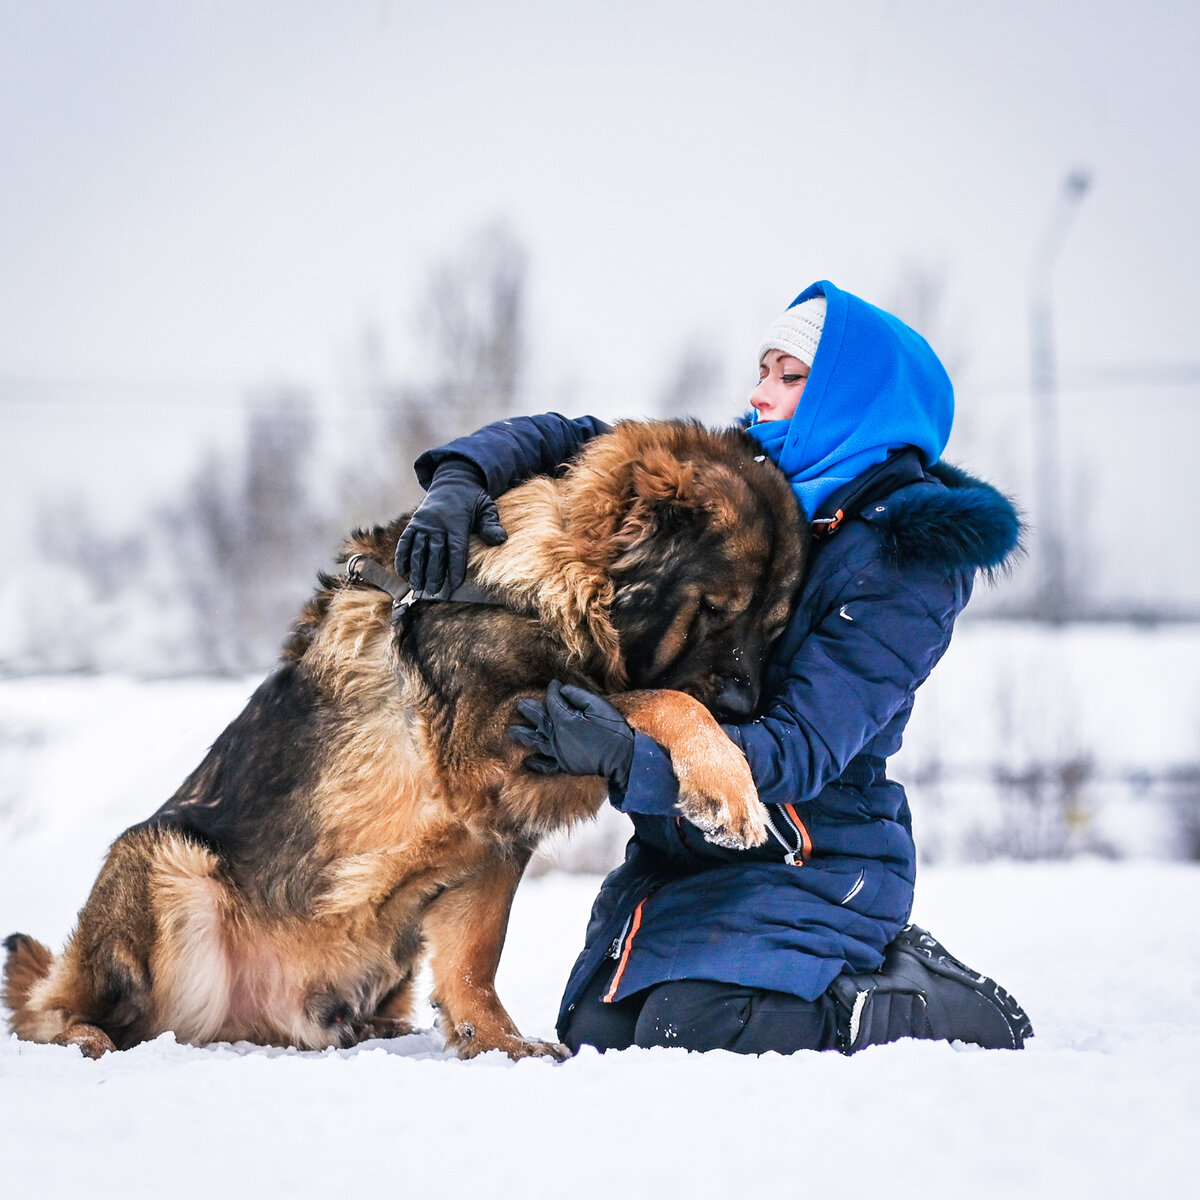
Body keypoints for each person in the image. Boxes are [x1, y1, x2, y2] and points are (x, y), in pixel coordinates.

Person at [395, 279, 1033, 1055]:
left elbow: (804, 748)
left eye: (790, 377)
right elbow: (576, 437)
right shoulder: (745, 480)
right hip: (683, 859)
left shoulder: (903, 558)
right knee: (598, 1035)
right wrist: (463, 476)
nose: (760, 395)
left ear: (856, 397)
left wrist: (630, 753)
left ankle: (912, 996)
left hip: (813, 860)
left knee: (691, 1029)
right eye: (762, 371)